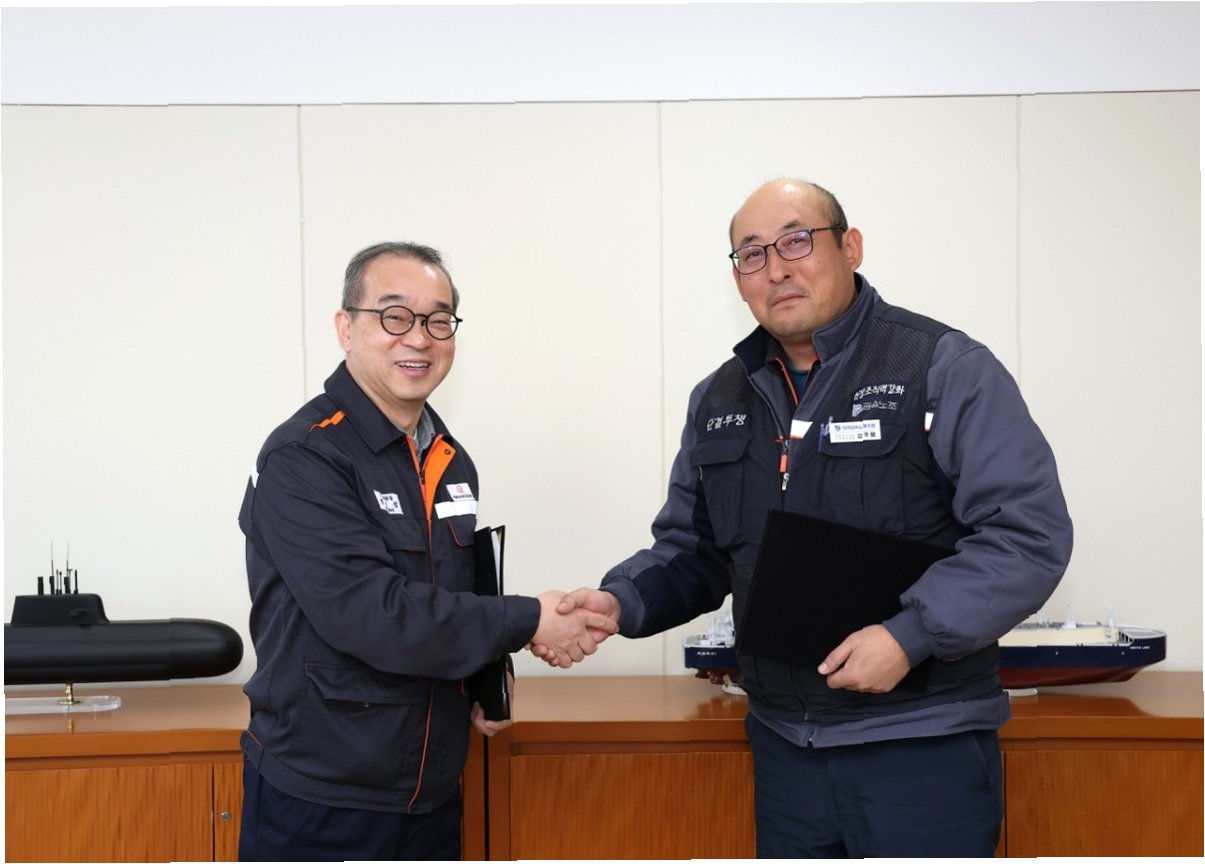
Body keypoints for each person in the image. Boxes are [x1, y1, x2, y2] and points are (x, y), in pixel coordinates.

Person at [545, 180, 1073, 857]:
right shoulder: (718, 397)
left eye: (796, 241)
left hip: (920, 743)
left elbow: (1025, 536)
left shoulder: (941, 367)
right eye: (751, 254)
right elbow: (695, 549)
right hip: (784, 747)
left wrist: (907, 636)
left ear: (849, 247)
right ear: (737, 278)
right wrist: (620, 601)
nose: (775, 269)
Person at [237, 241, 616, 861]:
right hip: (324, 796)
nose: (418, 337)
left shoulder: (449, 458)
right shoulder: (304, 456)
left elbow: (455, 595)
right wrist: (532, 620)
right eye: (394, 316)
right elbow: (371, 614)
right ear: (346, 328)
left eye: (439, 320)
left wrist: (489, 676)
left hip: (431, 790)